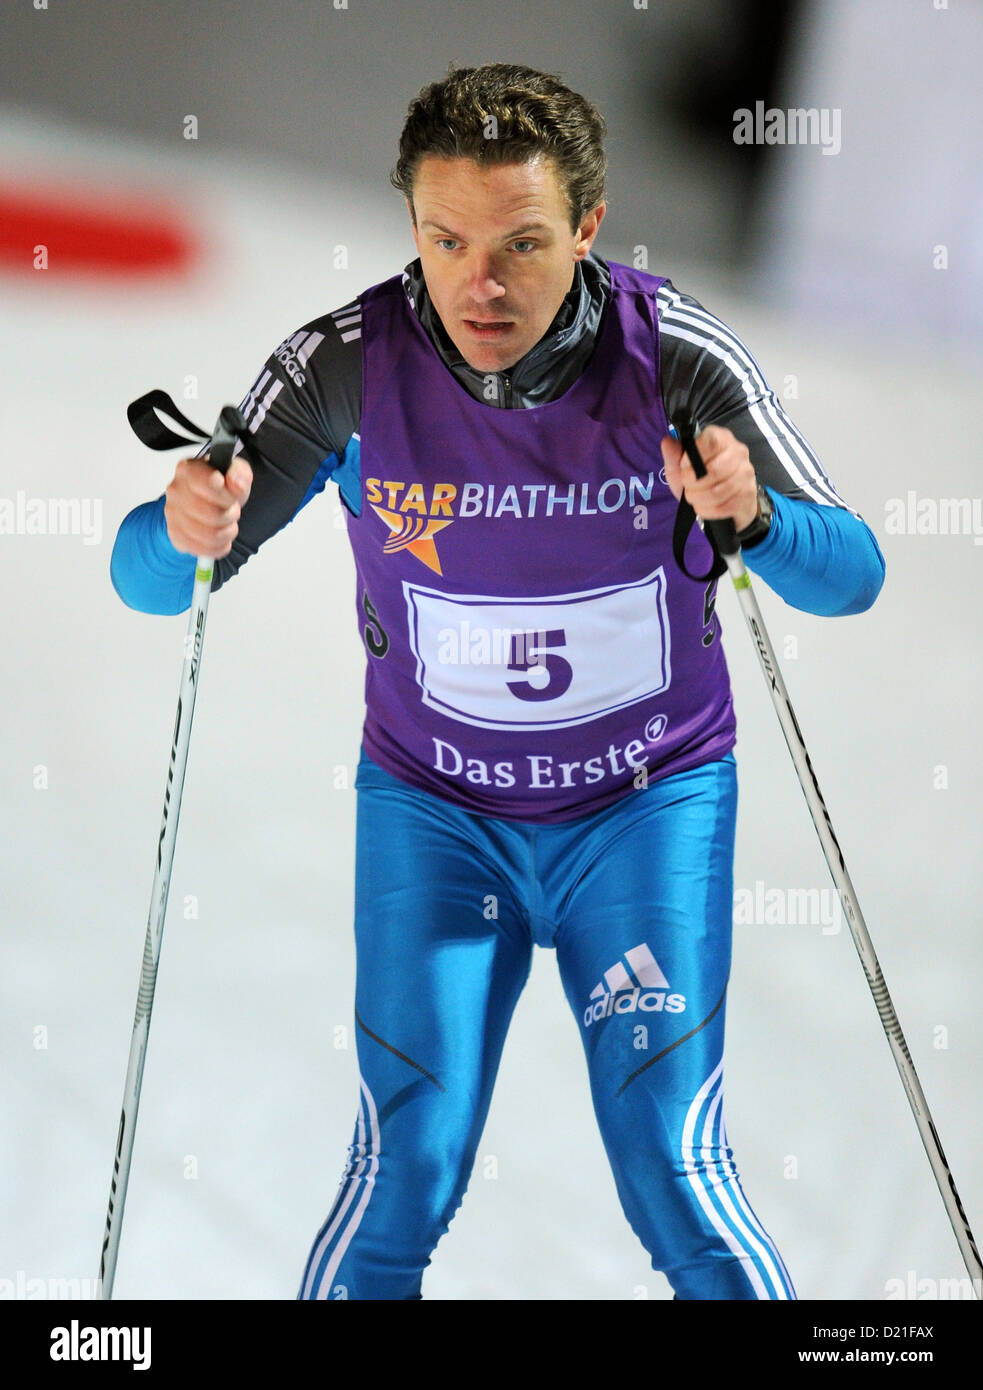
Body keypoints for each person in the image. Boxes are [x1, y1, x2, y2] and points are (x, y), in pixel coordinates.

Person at [110, 62, 885, 1300]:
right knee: (401, 1167)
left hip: (643, 812)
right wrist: (180, 520)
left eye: (523, 243)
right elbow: (148, 584)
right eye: (444, 238)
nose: (480, 282)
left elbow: (852, 576)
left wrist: (755, 519)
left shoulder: (668, 352)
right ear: (409, 225)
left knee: (673, 1171)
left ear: (584, 227)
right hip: (437, 817)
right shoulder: (341, 366)